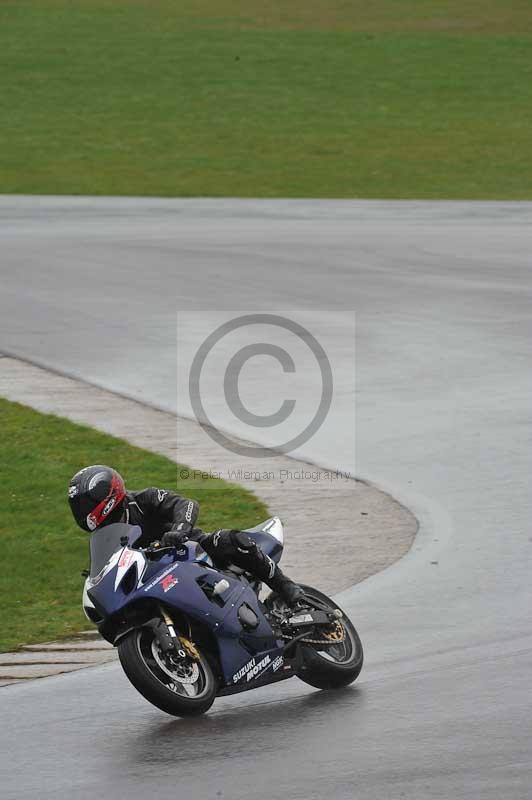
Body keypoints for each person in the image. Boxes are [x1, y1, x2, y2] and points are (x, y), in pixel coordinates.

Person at [68, 464, 305, 606]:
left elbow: (186, 504)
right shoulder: (104, 537)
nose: (82, 511)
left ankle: (285, 587)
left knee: (229, 540)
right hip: (156, 575)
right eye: (78, 506)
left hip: (190, 550)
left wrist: (179, 531)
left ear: (106, 493)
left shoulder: (143, 500)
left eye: (85, 503)